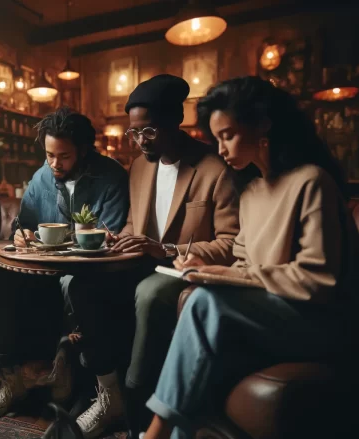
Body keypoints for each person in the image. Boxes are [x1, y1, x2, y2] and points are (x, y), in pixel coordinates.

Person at [142, 76, 359, 439]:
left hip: (326, 323)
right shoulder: (251, 191)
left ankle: (155, 433)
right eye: (217, 138)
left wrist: (224, 278)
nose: (220, 149)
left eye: (229, 135)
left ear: (263, 125)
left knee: (205, 303)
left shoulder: (311, 181)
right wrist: (210, 269)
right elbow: (246, 265)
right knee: (200, 342)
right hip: (274, 318)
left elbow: (318, 280)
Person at [73, 74, 239, 438]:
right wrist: (122, 239)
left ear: (173, 123)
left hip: (181, 270)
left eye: (147, 132)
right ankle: (108, 392)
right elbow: (136, 226)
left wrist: (165, 249)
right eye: (133, 133)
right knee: (83, 286)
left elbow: (229, 244)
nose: (139, 142)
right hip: (144, 264)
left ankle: (137, 402)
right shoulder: (139, 167)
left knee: (148, 295)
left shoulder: (215, 168)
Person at [0, 107, 130, 422]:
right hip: (44, 271)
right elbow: (23, 224)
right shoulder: (42, 176)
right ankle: (11, 380)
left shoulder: (111, 176)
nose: (55, 164)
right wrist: (21, 234)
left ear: (84, 150)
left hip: (90, 273)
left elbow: (109, 238)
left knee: (74, 286)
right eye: (49, 155)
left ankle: (105, 391)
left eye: (64, 156)